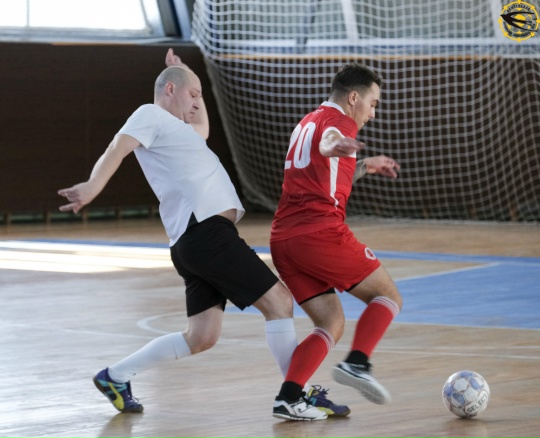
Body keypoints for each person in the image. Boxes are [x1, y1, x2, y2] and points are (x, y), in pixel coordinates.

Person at [57, 49, 347, 421]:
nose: (197, 102)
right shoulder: (150, 115)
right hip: (206, 232)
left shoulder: (183, 133)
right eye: (193, 94)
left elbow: (202, 127)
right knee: (279, 302)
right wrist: (93, 186)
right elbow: (118, 147)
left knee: (201, 336)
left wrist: (187, 74)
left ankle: (115, 376)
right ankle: (295, 395)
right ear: (170, 90)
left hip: (193, 241)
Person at [270, 63, 403, 408]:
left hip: (284, 240)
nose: (372, 114)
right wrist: (338, 144)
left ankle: (289, 398)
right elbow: (330, 144)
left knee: (330, 322)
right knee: (387, 296)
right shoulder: (339, 124)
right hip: (319, 233)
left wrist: (365, 165)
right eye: (372, 104)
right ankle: (357, 364)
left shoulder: (307, 121)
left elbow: (324, 166)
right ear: (354, 97)